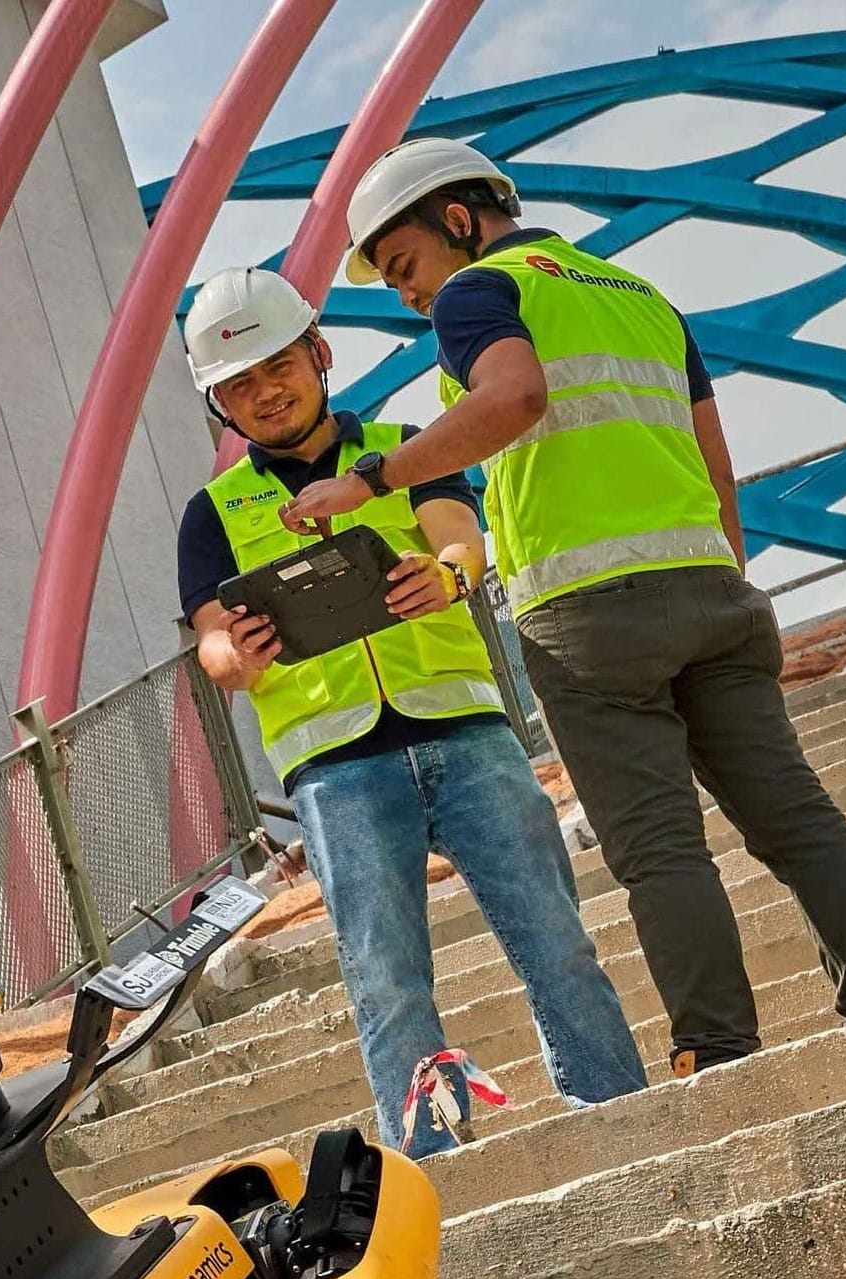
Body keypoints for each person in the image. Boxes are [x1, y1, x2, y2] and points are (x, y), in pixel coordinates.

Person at [294, 139, 846, 1075]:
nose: (407, 293)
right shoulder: (639, 296)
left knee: (662, 852)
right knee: (796, 817)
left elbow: (516, 397)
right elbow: (714, 460)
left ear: (458, 220)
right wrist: (731, 583)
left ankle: (722, 1056)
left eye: (404, 265)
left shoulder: (481, 293)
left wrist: (372, 478)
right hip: (709, 591)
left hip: (589, 619)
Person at [175, 266, 647, 1147]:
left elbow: (463, 544)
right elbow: (209, 642)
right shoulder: (212, 513)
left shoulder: (403, 448)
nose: (266, 391)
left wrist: (447, 576)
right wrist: (231, 656)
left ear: (319, 354)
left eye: (278, 365)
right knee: (385, 979)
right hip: (336, 772)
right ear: (220, 404)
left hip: (465, 735)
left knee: (556, 940)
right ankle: (431, 1160)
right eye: (239, 383)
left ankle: (616, 1113)